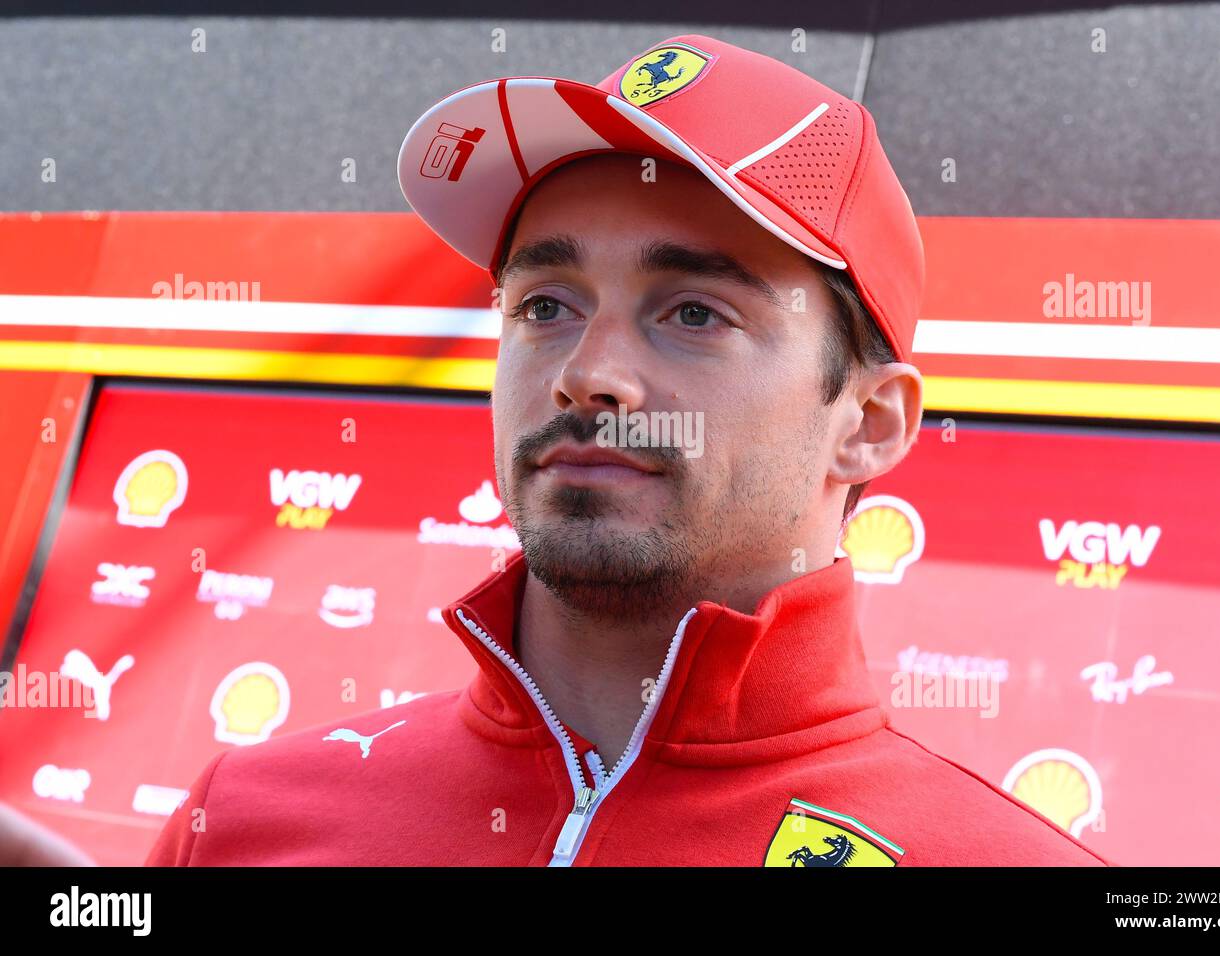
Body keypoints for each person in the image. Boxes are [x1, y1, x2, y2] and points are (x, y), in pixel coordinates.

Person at [147, 34, 1108, 867]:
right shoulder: (239, 822)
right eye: (545, 306)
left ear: (869, 423)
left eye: (694, 312)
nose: (588, 375)